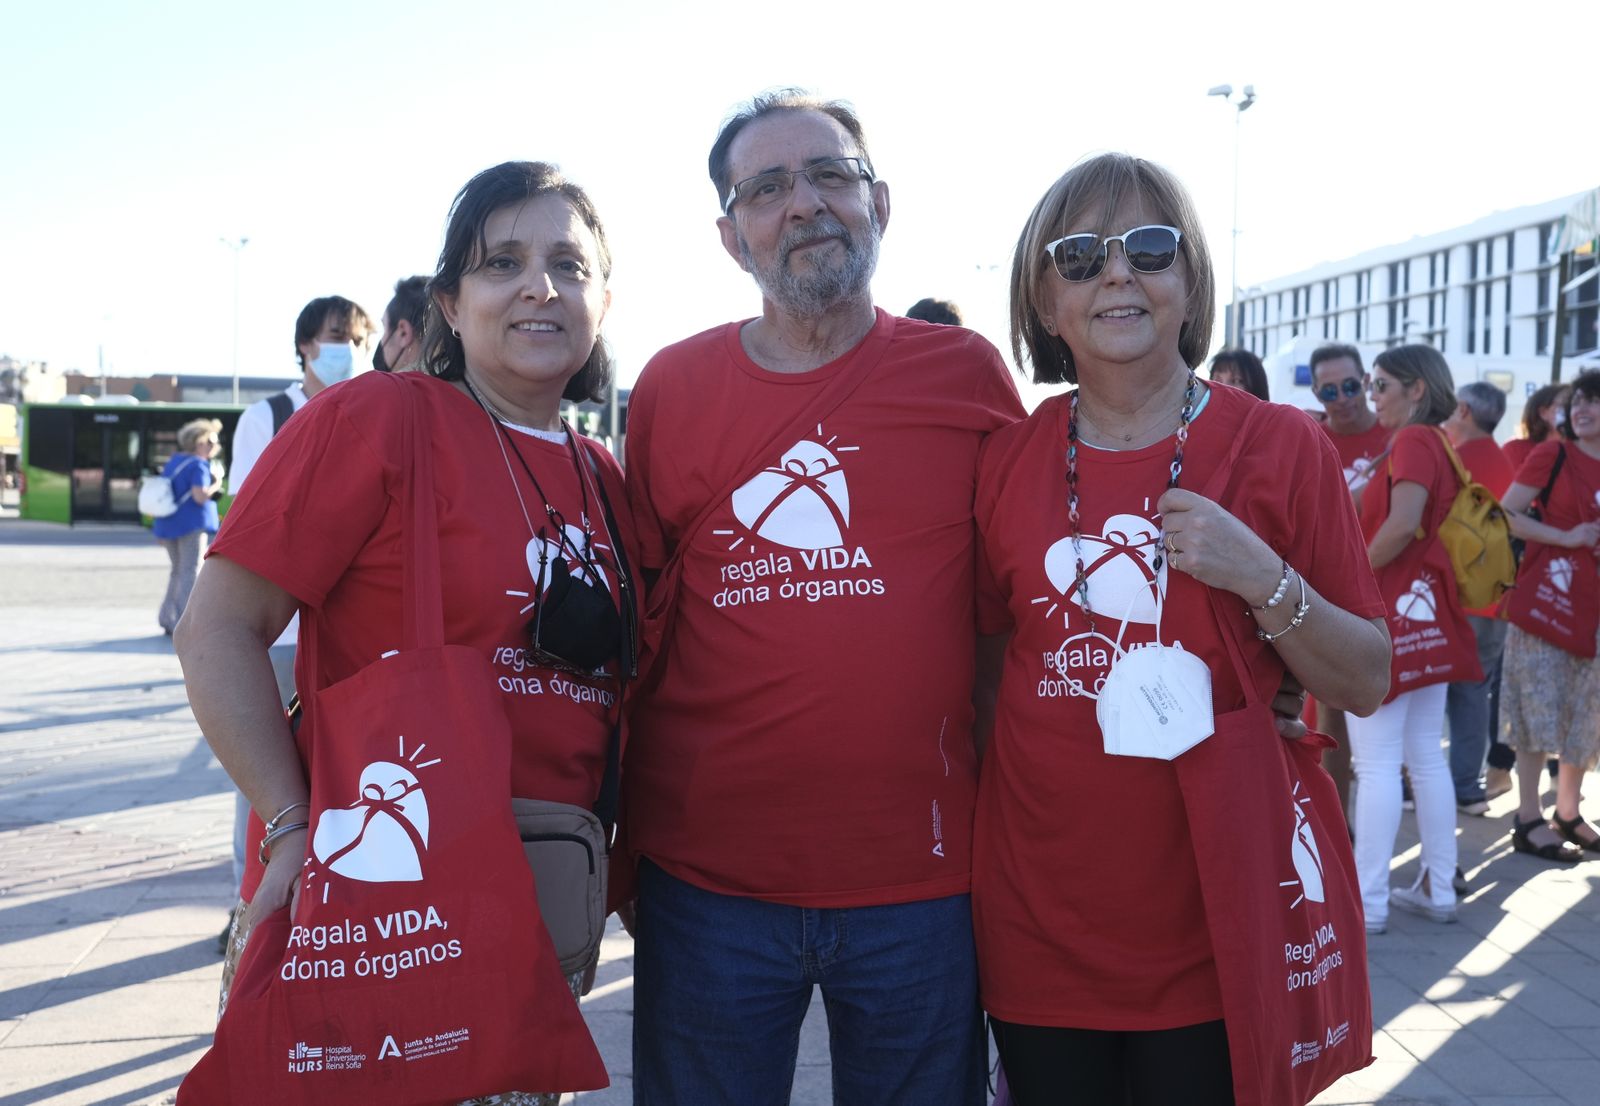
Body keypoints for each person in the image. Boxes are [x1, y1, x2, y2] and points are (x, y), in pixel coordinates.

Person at [174, 160, 635, 1104]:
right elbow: (216, 626)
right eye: (502, 262)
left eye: (569, 265)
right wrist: (289, 825)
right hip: (380, 914)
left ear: (604, 301)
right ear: (450, 306)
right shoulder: (379, 418)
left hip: (535, 925)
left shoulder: (601, 473)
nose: (540, 286)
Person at [621, 90, 1026, 1105]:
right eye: (766, 188)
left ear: (877, 203)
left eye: (830, 175)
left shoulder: (966, 375)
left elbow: (1014, 603)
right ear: (732, 237)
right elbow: (642, 612)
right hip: (708, 887)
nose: (803, 203)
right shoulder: (670, 388)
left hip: (922, 884)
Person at [972, 152, 1388, 1105]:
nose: (1118, 272)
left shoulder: (1284, 445)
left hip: (1220, 916)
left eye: (1150, 248)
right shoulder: (1003, 460)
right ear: (1044, 301)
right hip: (1039, 921)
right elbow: (989, 676)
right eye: (1080, 256)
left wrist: (1263, 579)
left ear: (1190, 281)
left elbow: (1366, 677)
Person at [217, 293, 375, 952]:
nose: (349, 350)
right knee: (268, 774)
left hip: (346, 630)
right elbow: (249, 518)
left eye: (358, 339)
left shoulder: (371, 409)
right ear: (306, 345)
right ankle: (249, 902)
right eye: (338, 336)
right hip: (283, 631)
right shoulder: (269, 416)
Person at [1347, 345, 1483, 932]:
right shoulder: (1436, 444)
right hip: (1428, 615)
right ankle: (1438, 889)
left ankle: (1370, 902)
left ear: (1416, 389)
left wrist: (1350, 583)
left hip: (1389, 613)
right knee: (1424, 757)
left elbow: (1403, 524)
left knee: (1377, 763)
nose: (1372, 395)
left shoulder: (1413, 442)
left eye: (1380, 384)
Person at [1499, 370, 1600, 864]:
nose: (1581, 408)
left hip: (1594, 610)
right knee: (1536, 708)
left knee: (1587, 711)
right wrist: (1567, 537)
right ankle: (1528, 817)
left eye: (1594, 401)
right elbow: (1504, 513)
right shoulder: (1553, 454)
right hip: (1547, 603)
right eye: (1577, 400)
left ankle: (1569, 812)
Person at [1442, 382, 1516, 819]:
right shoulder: (1505, 462)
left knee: (1430, 693)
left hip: (1456, 598)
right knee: (1475, 692)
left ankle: (1422, 781)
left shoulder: (1456, 460)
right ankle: (1466, 788)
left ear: (1464, 410)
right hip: (1495, 601)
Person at [154, 418, 223, 635]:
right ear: (199, 442)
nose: (215, 447)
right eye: (211, 442)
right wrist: (217, 483)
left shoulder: (174, 461)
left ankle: (167, 617)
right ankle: (185, 622)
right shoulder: (198, 465)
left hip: (168, 524)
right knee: (190, 571)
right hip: (191, 525)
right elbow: (200, 496)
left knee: (177, 571)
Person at [1310, 343, 1390, 495]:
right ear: (1316, 394)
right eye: (1329, 391)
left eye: (1350, 387)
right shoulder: (1310, 444)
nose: (1342, 399)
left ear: (1366, 382)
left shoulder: (1396, 436)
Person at [1504, 382, 1572, 472]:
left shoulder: (1581, 451)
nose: (1575, 410)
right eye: (1566, 405)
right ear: (1543, 413)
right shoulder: (1516, 450)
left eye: (1575, 404)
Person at [375, 274, 430, 372]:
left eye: (384, 328)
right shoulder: (456, 379)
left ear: (403, 332)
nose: (381, 340)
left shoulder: (374, 382)